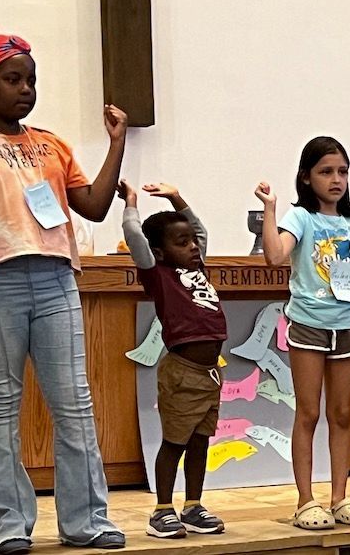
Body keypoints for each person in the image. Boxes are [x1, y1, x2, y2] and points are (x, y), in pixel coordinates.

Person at [0, 34, 129, 554]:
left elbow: (91, 206)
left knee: (74, 402)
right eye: (12, 79)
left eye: (31, 81)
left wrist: (117, 144)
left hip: (54, 279)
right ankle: (6, 527)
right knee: (0, 403)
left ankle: (87, 521)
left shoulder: (52, 143)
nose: (25, 90)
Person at [253, 136, 350, 530]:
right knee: (308, 412)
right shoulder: (300, 218)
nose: (336, 179)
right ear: (306, 178)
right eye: (325, 172)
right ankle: (306, 500)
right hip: (309, 326)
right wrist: (270, 209)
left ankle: (340, 497)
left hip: (347, 328)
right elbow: (274, 255)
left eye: (342, 172)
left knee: (341, 414)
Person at [119, 181, 228, 538]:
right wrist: (132, 203)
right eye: (182, 243)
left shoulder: (198, 268)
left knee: (200, 442)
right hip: (182, 372)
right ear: (159, 253)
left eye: (192, 242)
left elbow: (200, 229)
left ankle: (193, 506)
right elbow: (134, 234)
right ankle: (162, 510)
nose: (193, 246)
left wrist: (177, 198)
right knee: (175, 443)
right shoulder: (158, 275)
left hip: (211, 374)